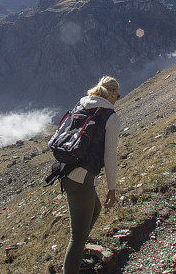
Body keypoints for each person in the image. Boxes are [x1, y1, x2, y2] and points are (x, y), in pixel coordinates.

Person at [61, 76, 122, 274]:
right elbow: (110, 156)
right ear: (111, 94)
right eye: (118, 95)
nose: (118, 99)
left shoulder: (83, 104)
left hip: (65, 168)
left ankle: (76, 258)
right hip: (80, 178)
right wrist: (112, 188)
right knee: (78, 236)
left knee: (95, 209)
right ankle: (72, 266)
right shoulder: (110, 117)